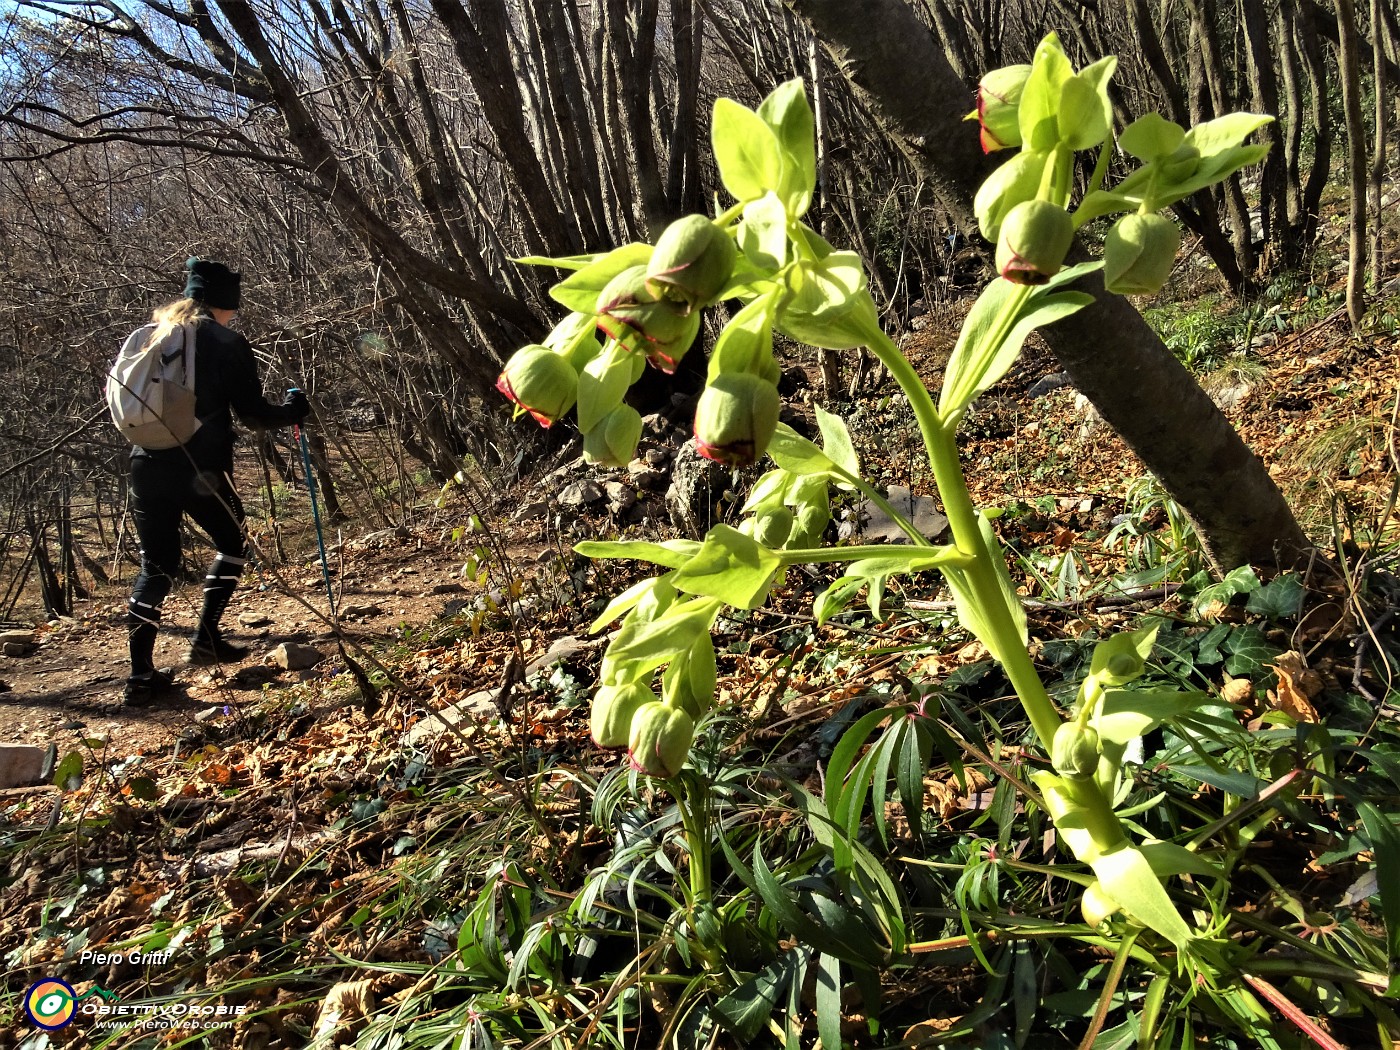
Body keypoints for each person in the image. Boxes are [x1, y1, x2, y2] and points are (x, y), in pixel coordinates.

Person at [123, 258, 310, 705]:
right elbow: (251, 414)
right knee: (232, 540)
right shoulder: (225, 341)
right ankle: (206, 637)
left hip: (144, 463)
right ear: (224, 303)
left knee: (156, 566)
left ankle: (140, 677)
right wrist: (293, 410)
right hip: (197, 468)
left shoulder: (152, 336)